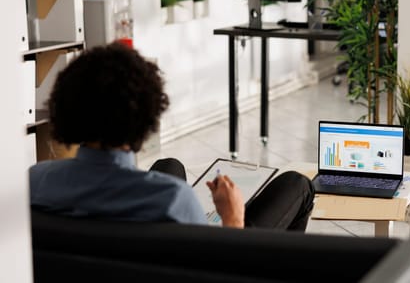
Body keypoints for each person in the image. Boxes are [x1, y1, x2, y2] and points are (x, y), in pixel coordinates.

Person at [30, 42, 314, 230]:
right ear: (147, 113)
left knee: (170, 166)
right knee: (297, 185)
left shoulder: (35, 181)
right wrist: (233, 216)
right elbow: (220, 268)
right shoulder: (172, 200)